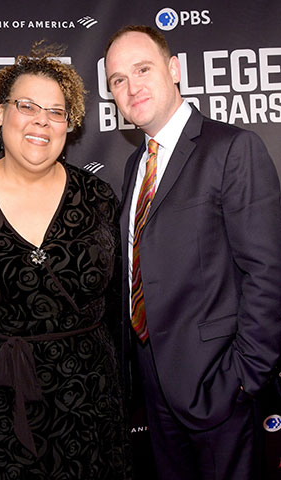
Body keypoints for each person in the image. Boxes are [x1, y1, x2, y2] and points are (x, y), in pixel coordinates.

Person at [0, 41, 131, 479]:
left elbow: (120, 303)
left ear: (70, 124)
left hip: (86, 405)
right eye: (27, 105)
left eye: (56, 111)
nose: (41, 120)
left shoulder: (98, 200)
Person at [104, 25, 281, 480]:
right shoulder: (135, 164)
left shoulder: (233, 149)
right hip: (154, 389)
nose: (131, 87)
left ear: (174, 69)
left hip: (221, 389)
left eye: (142, 69)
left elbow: (268, 272)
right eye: (117, 80)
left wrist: (244, 378)